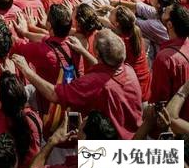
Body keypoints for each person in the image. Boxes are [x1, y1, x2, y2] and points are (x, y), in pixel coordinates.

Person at [14, 28, 143, 139]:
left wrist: (27, 71)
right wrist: (83, 51)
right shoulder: (128, 70)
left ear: (97, 53)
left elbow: (54, 94)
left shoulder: (93, 82)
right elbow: (106, 71)